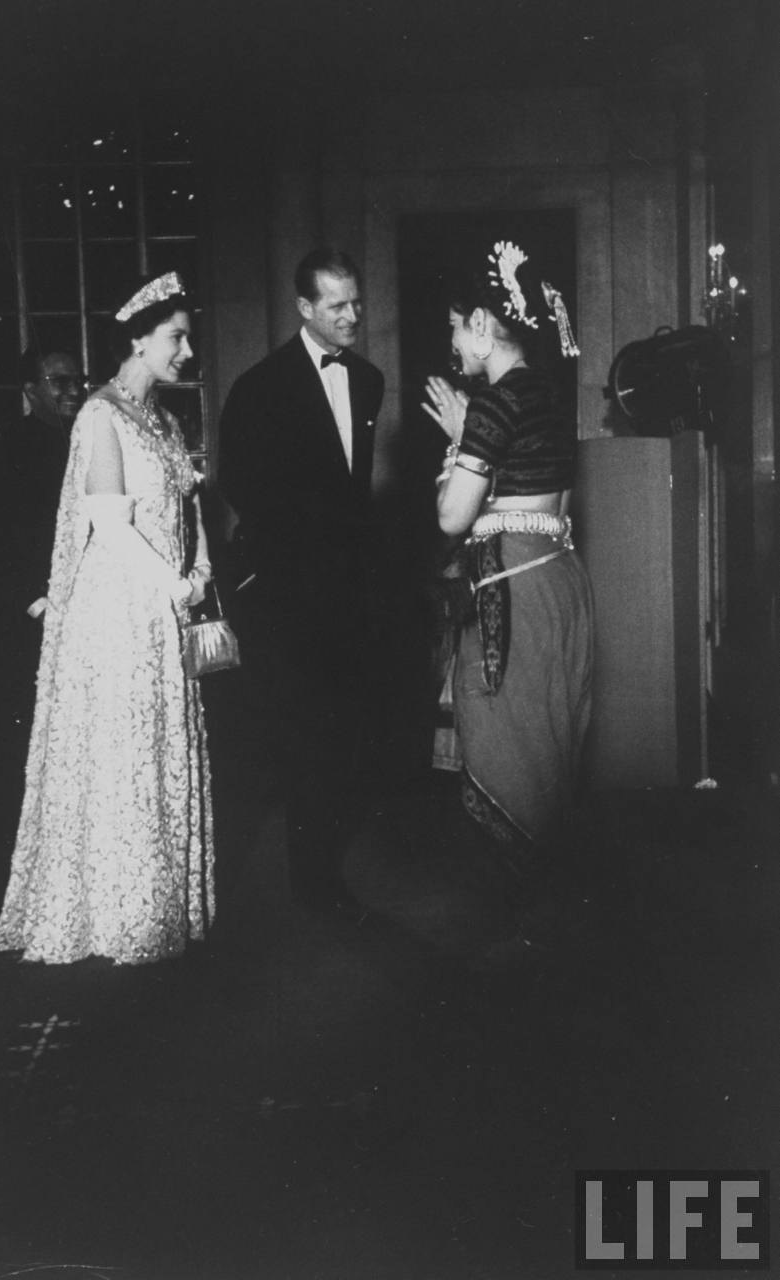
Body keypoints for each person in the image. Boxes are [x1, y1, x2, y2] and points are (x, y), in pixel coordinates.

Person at [0, 271, 215, 964]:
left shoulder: (164, 421)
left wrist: (199, 571)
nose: (187, 351)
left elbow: (186, 508)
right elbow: (108, 524)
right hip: (119, 613)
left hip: (165, 608)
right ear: (137, 340)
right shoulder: (101, 414)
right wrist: (173, 584)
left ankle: (158, 908)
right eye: (176, 337)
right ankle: (113, 917)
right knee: (123, 758)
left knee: (158, 752)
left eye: (188, 337)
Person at [421, 240, 592, 911]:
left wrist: (458, 442)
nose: (453, 347)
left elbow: (450, 516)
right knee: (550, 746)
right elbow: (552, 503)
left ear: (484, 325)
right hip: (559, 581)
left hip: (511, 589)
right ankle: (547, 913)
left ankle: (520, 921)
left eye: (455, 329)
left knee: (509, 748)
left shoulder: (492, 402)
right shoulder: (548, 395)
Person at [219, 249, 384, 914]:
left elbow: (355, 493)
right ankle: (308, 881)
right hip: (289, 596)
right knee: (301, 735)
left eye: (356, 301)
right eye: (337, 305)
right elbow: (240, 483)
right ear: (304, 309)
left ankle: (320, 870)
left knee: (342, 732)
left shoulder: (368, 380)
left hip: (349, 593)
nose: (352, 315)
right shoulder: (259, 386)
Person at [0, 346, 83, 853]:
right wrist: (35, 603)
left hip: (89, 613)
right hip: (28, 621)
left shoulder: (92, 438)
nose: (73, 390)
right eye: (59, 382)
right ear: (30, 390)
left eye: (77, 379)